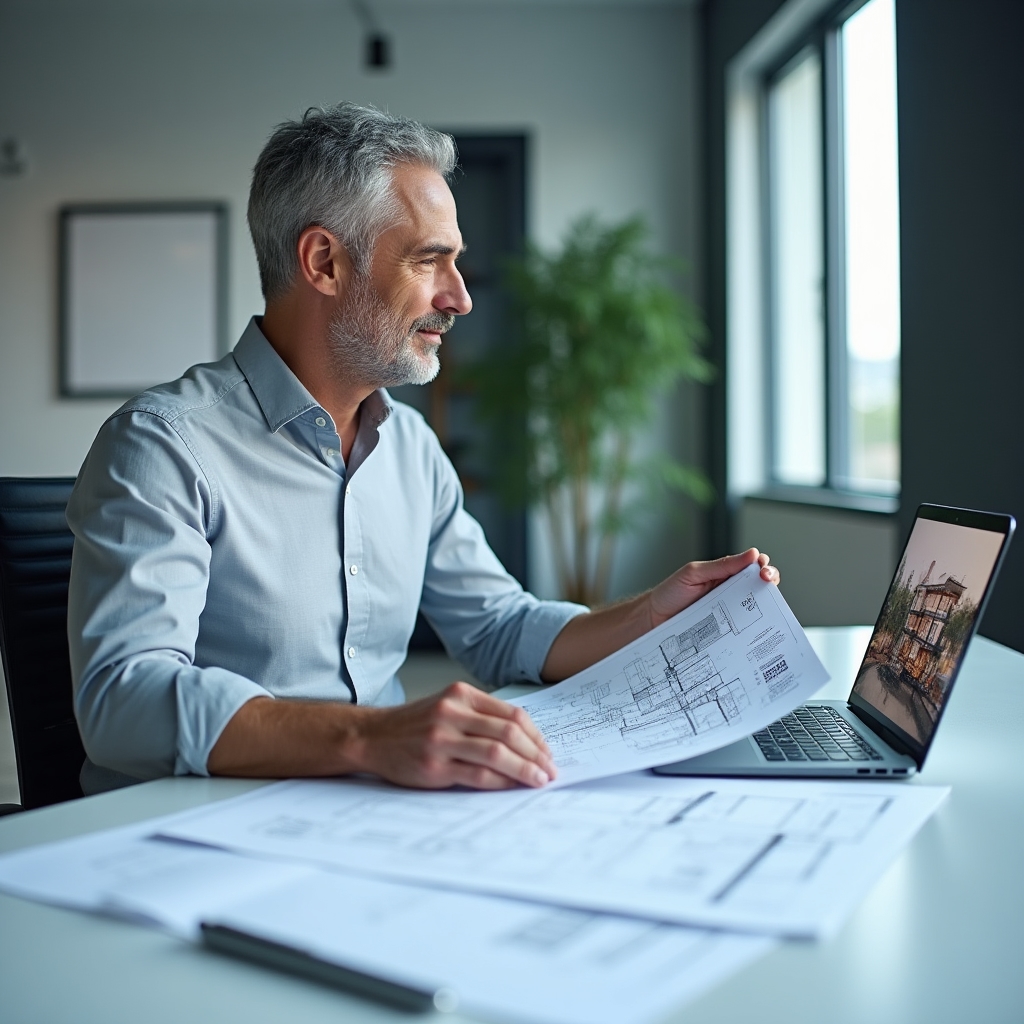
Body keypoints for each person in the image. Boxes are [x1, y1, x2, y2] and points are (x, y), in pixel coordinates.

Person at [67, 102, 779, 794]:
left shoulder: (409, 446)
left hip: (371, 814)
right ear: (324, 262)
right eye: (429, 261)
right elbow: (123, 700)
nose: (460, 297)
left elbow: (500, 628)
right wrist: (370, 738)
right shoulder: (164, 445)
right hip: (197, 829)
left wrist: (649, 614)